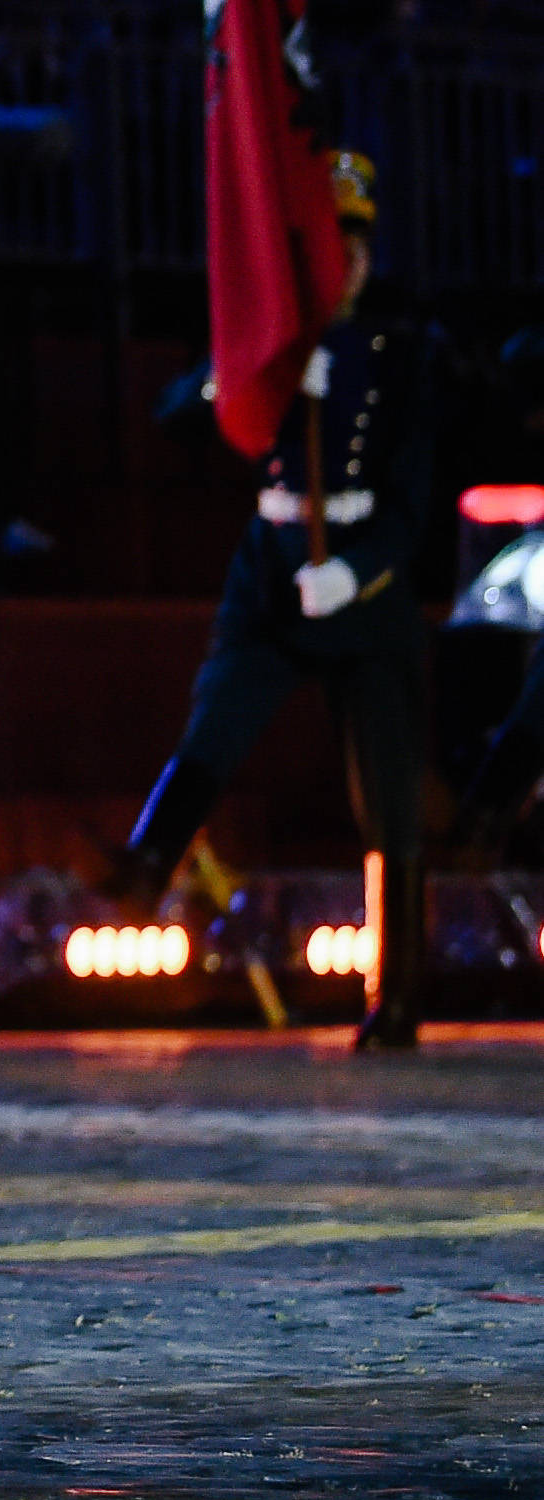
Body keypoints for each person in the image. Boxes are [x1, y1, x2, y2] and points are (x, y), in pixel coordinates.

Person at [112, 152, 440, 1050]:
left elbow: (414, 504)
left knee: (389, 794)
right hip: (273, 562)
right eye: (335, 249)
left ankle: (397, 995)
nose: (351, 266)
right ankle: (145, 864)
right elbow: (179, 412)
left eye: (360, 248)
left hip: (358, 577)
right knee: (216, 721)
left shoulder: (404, 352)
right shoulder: (264, 332)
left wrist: (358, 570)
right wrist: (255, 373)